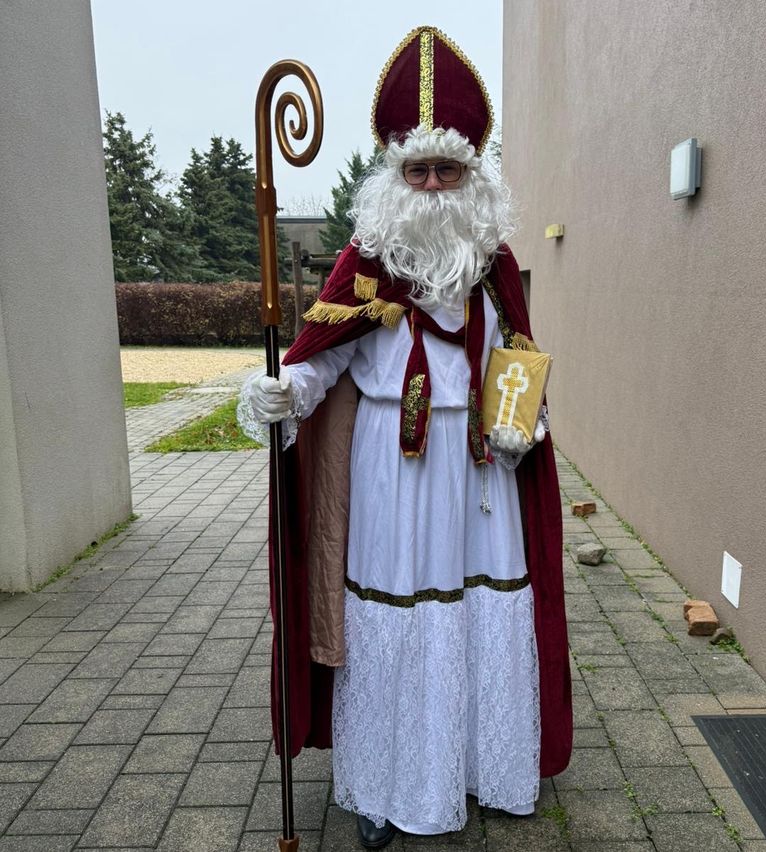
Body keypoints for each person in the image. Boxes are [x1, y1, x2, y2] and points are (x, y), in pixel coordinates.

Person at [240, 25, 572, 849]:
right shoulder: (365, 262)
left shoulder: (492, 266)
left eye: (447, 169)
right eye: (416, 169)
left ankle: (480, 768)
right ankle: (387, 789)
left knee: (479, 611)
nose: (431, 185)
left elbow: (515, 365)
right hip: (391, 465)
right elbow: (327, 361)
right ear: (393, 172)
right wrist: (286, 390)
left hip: (481, 470)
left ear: (473, 176)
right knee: (396, 617)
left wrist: (525, 424)